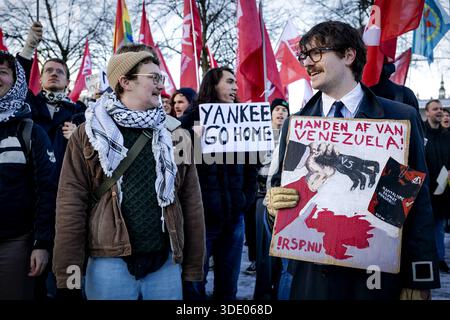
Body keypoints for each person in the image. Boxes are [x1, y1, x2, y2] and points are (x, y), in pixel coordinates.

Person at [265, 21, 440, 300]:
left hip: (375, 278)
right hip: (312, 279)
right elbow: (279, 199)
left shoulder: (399, 118)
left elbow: (416, 204)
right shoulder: (295, 125)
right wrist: (273, 208)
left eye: (317, 53)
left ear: (349, 55)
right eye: (304, 56)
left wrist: (419, 278)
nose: (307, 63)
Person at [52, 49, 205, 300]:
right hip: (108, 265)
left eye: (161, 78)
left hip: (165, 264)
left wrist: (192, 273)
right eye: (153, 78)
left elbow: (192, 205)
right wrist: (68, 278)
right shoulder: (87, 134)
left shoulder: (176, 135)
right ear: (125, 82)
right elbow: (71, 206)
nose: (161, 85)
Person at [16, 21, 87, 299]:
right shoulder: (28, 107)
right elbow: (14, 81)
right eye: (49, 71)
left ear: (68, 81)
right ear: (41, 78)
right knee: (32, 278)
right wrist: (29, 47)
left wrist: (81, 136)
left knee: (69, 283)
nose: (54, 74)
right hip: (32, 205)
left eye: (60, 71)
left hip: (70, 208)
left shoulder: (80, 113)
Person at [180, 67, 257, 300]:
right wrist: (195, 138)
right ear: (213, 85)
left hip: (234, 219)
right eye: (229, 82)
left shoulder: (244, 123)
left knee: (228, 289)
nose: (235, 88)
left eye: (236, 83)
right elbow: (179, 168)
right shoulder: (187, 123)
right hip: (200, 222)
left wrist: (245, 200)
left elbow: (251, 167)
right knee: (194, 286)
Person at [0, 50, 56, 299]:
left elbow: (47, 190)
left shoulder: (30, 131)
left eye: (2, 72)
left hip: (15, 245)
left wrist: (42, 244)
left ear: (16, 81)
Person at [253, 98, 290, 300]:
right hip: (262, 197)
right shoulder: (259, 136)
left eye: (284, 110)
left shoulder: (293, 136)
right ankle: (263, 294)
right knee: (264, 251)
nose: (280, 113)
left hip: (286, 199)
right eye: (277, 109)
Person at [423, 99, 450, 274]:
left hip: (441, 187)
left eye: (441, 109)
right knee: (423, 226)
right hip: (423, 187)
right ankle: (424, 258)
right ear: (427, 113)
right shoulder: (420, 131)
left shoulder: (447, 135)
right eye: (435, 109)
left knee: (439, 226)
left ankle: (439, 259)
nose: (439, 111)